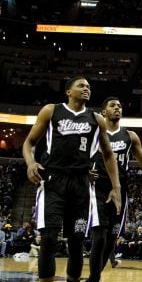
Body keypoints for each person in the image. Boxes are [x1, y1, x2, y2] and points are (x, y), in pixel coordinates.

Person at [22, 76, 121, 282]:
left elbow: (109, 154)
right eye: (81, 86)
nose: (86, 89)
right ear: (69, 91)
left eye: (89, 87)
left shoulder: (96, 119)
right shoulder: (52, 110)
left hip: (81, 184)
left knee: (76, 239)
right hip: (53, 181)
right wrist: (31, 162)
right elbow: (29, 142)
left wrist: (116, 187)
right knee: (49, 237)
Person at [86, 97, 142, 282]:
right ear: (103, 112)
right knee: (99, 236)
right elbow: (79, 153)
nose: (117, 108)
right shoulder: (94, 132)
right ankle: (93, 278)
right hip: (97, 187)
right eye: (112, 105)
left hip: (120, 190)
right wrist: (85, 170)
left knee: (111, 238)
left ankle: (93, 277)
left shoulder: (130, 136)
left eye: (119, 105)